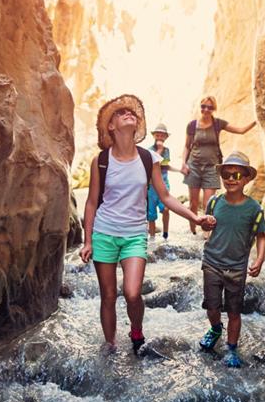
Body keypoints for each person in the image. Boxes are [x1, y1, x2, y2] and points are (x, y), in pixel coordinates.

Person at [80, 95, 214, 354]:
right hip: (104, 233)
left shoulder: (148, 158)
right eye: (120, 113)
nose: (128, 114)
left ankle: (136, 330)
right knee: (108, 296)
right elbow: (91, 202)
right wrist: (87, 240)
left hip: (134, 235)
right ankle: (109, 347)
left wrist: (194, 217)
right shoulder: (101, 160)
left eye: (131, 112)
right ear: (111, 126)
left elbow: (165, 196)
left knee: (132, 293)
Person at [198, 151, 265, 368]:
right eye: (226, 174)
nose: (230, 179)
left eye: (236, 175)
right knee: (212, 306)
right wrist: (204, 224)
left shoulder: (254, 208)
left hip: (237, 268)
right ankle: (216, 328)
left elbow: (261, 236)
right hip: (211, 262)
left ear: (246, 178)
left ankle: (232, 348)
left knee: (235, 311)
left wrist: (260, 259)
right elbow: (206, 227)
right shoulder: (215, 201)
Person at [181, 96, 257, 234]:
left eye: (209, 107)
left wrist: (257, 119)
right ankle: (192, 231)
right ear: (200, 107)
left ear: (213, 109)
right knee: (193, 203)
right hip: (194, 167)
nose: (206, 110)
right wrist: (183, 164)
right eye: (203, 106)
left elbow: (240, 130)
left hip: (211, 167)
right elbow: (186, 146)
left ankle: (206, 235)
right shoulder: (192, 125)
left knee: (208, 203)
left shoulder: (218, 124)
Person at [147, 123, 177, 240]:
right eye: (157, 135)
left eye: (162, 135)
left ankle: (165, 234)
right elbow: (152, 164)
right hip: (152, 185)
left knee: (165, 208)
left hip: (164, 183)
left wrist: (180, 170)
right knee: (151, 213)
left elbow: (165, 166)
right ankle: (152, 237)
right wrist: (159, 150)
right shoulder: (150, 150)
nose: (160, 137)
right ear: (154, 136)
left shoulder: (167, 151)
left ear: (166, 137)